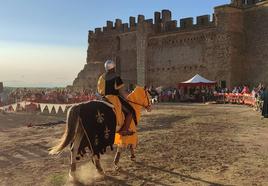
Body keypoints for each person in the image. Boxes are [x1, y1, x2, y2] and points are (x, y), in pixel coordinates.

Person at [97, 59, 136, 136]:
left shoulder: (101, 77)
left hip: (103, 98)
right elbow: (121, 91)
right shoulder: (116, 76)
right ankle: (124, 130)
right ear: (113, 68)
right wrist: (128, 98)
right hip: (113, 99)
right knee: (131, 111)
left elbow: (99, 90)